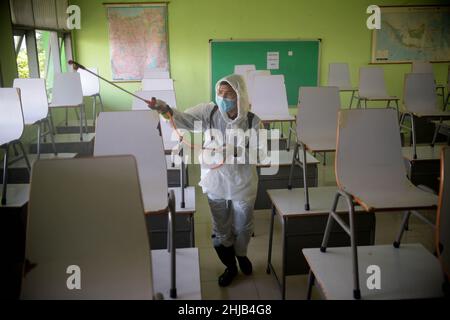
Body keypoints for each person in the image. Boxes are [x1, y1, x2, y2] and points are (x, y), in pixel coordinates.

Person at [149, 74, 260, 287]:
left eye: (228, 94)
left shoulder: (253, 121)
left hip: (242, 182)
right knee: (221, 227)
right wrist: (165, 109)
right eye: (220, 93)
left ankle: (241, 254)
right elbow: (182, 119)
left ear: (240, 96)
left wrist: (236, 151)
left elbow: (261, 154)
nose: (223, 98)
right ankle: (230, 266)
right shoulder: (209, 112)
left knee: (243, 226)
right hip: (215, 180)